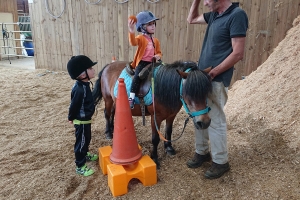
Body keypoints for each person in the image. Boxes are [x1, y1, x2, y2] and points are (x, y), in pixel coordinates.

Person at [187, 0, 248, 179]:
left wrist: (213, 73)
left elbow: (238, 53)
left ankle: (221, 161)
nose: (205, 3)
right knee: (199, 116)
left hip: (216, 78)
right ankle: (202, 151)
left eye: (206, 0)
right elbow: (190, 20)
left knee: (216, 118)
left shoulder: (236, 16)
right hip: (203, 77)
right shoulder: (215, 14)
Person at [67, 55, 99, 176]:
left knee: (86, 139)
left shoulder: (85, 85)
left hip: (86, 120)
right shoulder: (80, 89)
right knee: (81, 143)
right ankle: (80, 165)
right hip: (81, 121)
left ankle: (85, 154)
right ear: (82, 75)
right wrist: (70, 117)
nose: (93, 70)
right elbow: (73, 105)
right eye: (90, 68)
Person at [128, 10, 162, 109]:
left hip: (153, 63)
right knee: (137, 77)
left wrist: (158, 56)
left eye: (153, 24)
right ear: (143, 27)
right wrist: (131, 31)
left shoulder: (156, 40)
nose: (153, 26)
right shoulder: (141, 38)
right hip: (143, 63)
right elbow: (133, 43)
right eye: (149, 24)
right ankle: (131, 98)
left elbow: (159, 52)